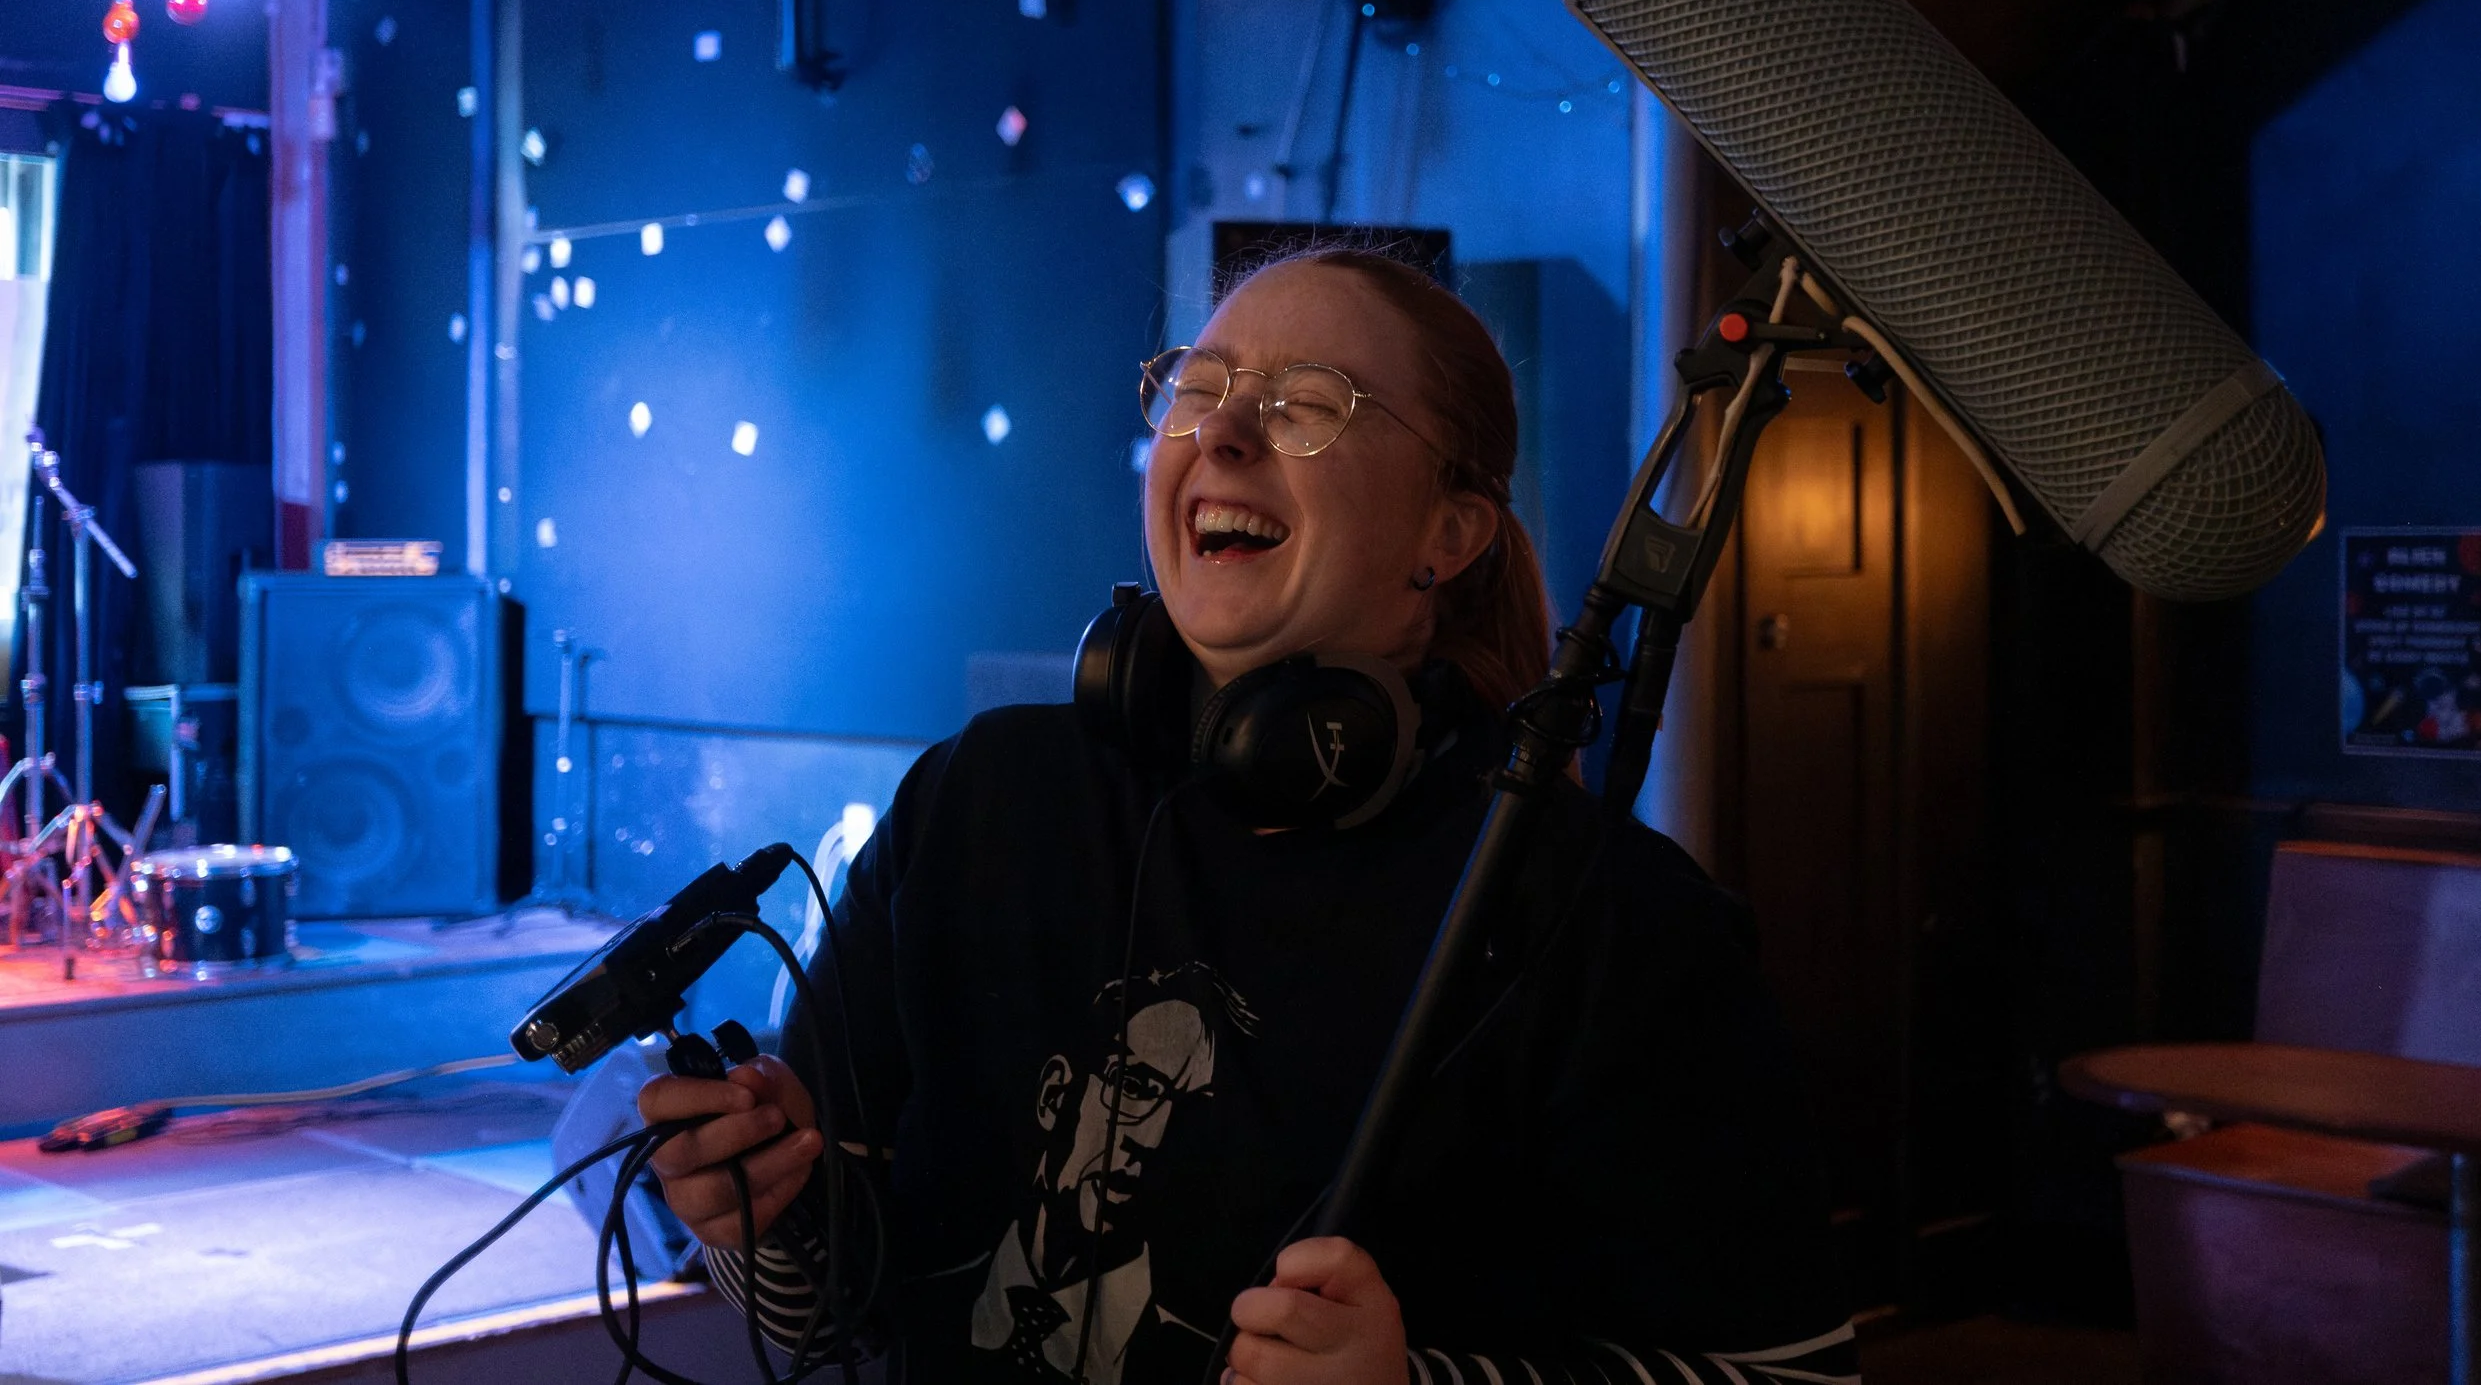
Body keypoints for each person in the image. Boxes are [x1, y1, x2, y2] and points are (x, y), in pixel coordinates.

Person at [639, 251, 1853, 1385]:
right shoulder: (978, 799)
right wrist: (757, 1215)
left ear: (1451, 529)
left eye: (1305, 399)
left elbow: (1791, 1372)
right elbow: (821, 1310)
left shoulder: (1603, 918)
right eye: (1196, 387)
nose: (1217, 430)